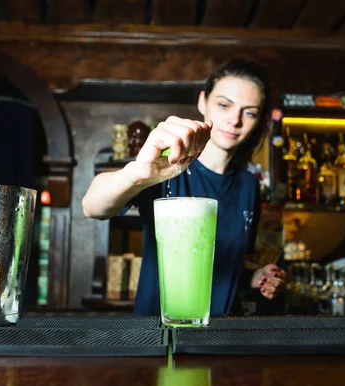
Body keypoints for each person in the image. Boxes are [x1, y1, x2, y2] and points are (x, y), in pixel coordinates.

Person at [82, 59, 287, 316]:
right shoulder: (167, 167)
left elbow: (223, 263)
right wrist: (138, 173)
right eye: (224, 105)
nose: (235, 120)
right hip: (158, 331)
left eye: (249, 112)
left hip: (223, 335)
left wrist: (257, 275)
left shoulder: (249, 185)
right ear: (203, 102)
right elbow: (92, 206)